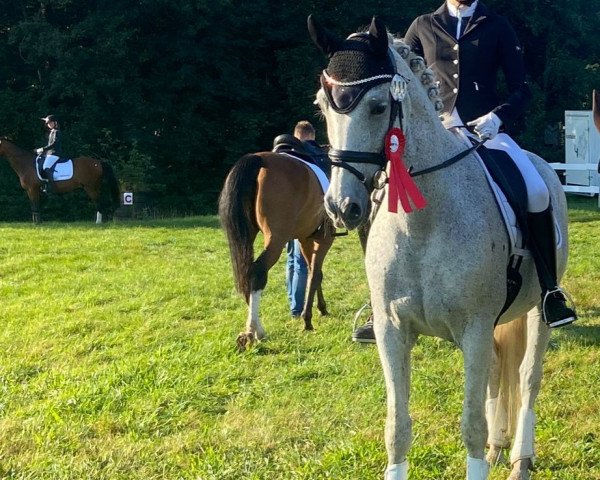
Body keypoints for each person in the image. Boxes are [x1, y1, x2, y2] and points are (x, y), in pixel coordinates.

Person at [352, 0, 576, 342]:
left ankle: (549, 291)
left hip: (485, 132)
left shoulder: (497, 25)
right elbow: (399, 79)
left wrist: (496, 118)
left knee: (537, 189)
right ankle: (378, 302)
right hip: (432, 135)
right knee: (379, 194)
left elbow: (522, 88)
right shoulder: (423, 25)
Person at [284, 120, 327, 317]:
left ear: (296, 135)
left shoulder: (285, 154)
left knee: (292, 259)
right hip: (312, 216)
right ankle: (297, 309)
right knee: (303, 262)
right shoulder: (316, 154)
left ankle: (293, 301)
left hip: (286, 212)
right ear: (312, 135)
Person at [36, 115, 63, 193]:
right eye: (48, 123)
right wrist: (43, 151)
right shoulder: (52, 132)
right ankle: (44, 184)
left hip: (55, 153)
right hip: (49, 153)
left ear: (55, 122)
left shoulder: (57, 132)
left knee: (46, 167)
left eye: (50, 123)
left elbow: (54, 144)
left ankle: (52, 186)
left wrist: (43, 149)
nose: (49, 125)